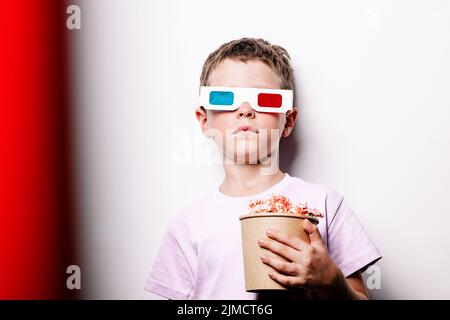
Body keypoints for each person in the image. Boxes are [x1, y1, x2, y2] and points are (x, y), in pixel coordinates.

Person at [145, 38, 381, 299]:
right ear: (204, 121)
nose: (245, 110)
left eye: (265, 99)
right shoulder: (187, 225)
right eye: (225, 98)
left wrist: (332, 281)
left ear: (288, 121)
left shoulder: (325, 204)